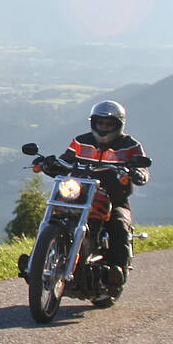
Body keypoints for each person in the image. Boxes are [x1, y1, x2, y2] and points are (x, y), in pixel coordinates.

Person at [38, 100, 149, 305]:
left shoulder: (130, 145)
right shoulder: (81, 141)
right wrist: (49, 164)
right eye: (100, 123)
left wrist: (137, 173)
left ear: (118, 124)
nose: (104, 128)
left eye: (109, 124)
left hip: (114, 198)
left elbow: (142, 167)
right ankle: (41, 260)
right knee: (56, 214)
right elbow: (66, 161)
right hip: (79, 194)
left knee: (120, 226)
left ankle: (117, 275)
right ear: (93, 123)